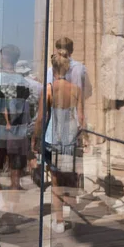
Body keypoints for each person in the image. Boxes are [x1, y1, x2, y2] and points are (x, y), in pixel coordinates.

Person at [34, 49, 84, 234]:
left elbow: (40, 118)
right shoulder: (76, 90)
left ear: (53, 69)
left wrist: (35, 138)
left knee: (55, 180)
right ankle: (71, 212)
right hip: (69, 139)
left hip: (52, 138)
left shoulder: (48, 89)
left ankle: (60, 221)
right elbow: (81, 118)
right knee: (68, 177)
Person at [0, 45, 32, 232]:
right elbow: (26, 109)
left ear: (4, 58)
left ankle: (1, 208)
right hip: (19, 133)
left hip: (0, 132)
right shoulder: (24, 82)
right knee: (16, 174)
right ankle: (13, 211)